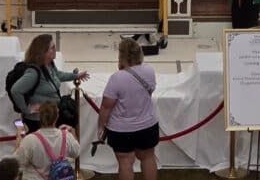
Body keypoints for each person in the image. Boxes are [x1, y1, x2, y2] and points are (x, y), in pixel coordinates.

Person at [97, 38, 158, 180]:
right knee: (148, 158)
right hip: (147, 125)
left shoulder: (117, 78)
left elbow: (106, 106)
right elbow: (150, 92)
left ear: (122, 56)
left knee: (125, 162)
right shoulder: (149, 70)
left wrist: (100, 127)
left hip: (121, 130)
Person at [10, 34, 89, 133]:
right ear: (43, 52)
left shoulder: (49, 64)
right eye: (52, 48)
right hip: (38, 121)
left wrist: (75, 76)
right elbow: (16, 90)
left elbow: (58, 75)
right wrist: (27, 109)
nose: (55, 49)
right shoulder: (33, 73)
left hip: (51, 118)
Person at [14, 102, 80, 178]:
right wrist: (72, 131)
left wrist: (20, 133)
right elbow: (77, 152)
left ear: (39, 116)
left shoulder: (30, 140)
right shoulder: (66, 136)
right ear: (57, 116)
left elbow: (16, 162)